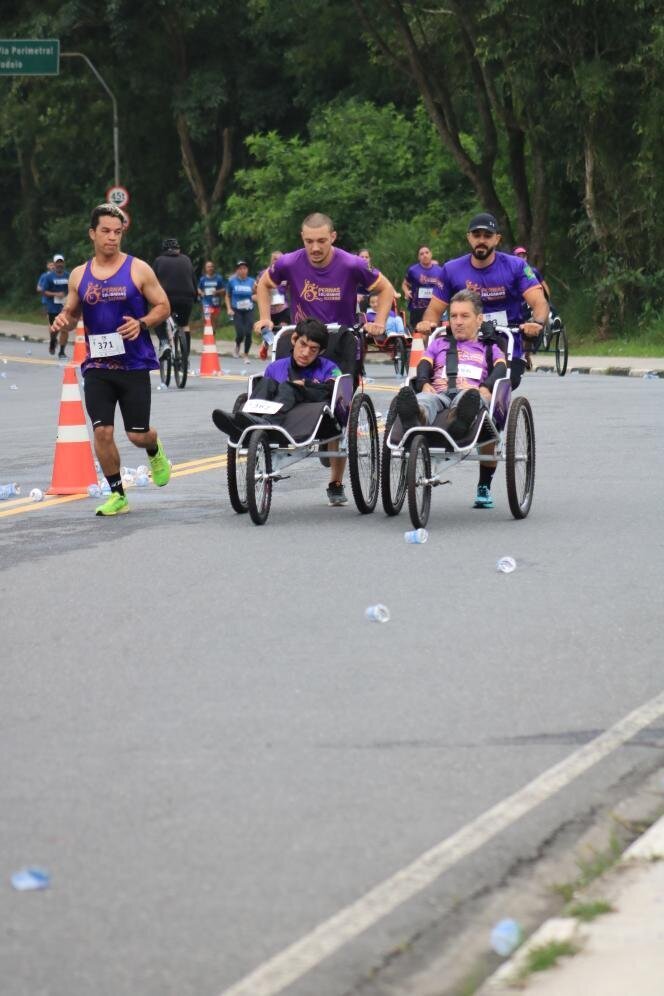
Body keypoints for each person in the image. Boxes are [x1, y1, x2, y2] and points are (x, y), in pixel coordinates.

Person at [253, 211, 395, 506]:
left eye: (321, 241)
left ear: (333, 237)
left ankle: (335, 480)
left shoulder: (352, 263)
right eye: (309, 241)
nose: (315, 248)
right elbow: (264, 284)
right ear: (302, 239)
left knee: (339, 409)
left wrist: (379, 322)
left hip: (340, 341)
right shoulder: (289, 262)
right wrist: (265, 317)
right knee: (283, 386)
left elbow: (386, 289)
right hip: (304, 339)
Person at [50, 203, 172, 517]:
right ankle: (117, 494)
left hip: (134, 364)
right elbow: (72, 312)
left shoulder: (138, 269)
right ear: (92, 233)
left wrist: (142, 323)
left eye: (117, 232)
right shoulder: (79, 275)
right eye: (105, 231)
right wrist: (64, 320)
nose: (112, 237)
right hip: (98, 367)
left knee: (137, 434)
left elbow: (163, 306)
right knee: (102, 432)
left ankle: (154, 448)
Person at [396, 289, 506, 509]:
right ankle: (415, 417)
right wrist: (423, 383)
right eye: (453, 316)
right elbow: (424, 364)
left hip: (472, 394)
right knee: (424, 400)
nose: (458, 321)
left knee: (468, 398)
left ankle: (459, 421)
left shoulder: (489, 347)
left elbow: (501, 369)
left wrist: (486, 387)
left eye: (464, 316)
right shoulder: (439, 344)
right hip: (439, 393)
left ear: (479, 319)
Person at [417, 213, 550, 386]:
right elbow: (434, 310)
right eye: (476, 235)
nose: (481, 240)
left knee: (499, 384)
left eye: (487, 236)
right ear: (469, 237)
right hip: (463, 346)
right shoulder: (451, 269)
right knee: (445, 383)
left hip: (506, 344)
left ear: (497, 239)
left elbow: (539, 302)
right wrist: (427, 324)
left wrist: (537, 323)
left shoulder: (516, 266)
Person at [212, 318, 341, 437]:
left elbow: (336, 390)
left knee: (290, 387)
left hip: (310, 416)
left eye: (313, 349)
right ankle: (245, 420)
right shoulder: (275, 367)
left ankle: (269, 423)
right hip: (278, 409)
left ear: (321, 351)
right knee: (266, 382)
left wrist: (306, 384)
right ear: (294, 339)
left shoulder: (331, 368)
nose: (306, 353)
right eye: (303, 344)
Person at [153, 238, 197, 356]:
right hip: (187, 298)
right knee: (184, 324)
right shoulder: (186, 259)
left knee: (158, 319)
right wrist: (195, 297)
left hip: (167, 298)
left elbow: (153, 282)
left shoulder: (159, 261)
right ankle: (185, 356)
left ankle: (164, 343)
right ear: (178, 249)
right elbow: (193, 280)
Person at [256, 251, 290, 360]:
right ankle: (265, 345)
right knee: (268, 333)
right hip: (270, 311)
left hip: (283, 309)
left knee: (283, 331)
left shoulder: (286, 273)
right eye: (275, 259)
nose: (277, 261)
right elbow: (257, 288)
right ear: (271, 261)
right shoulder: (264, 274)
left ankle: (280, 352)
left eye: (280, 259)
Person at [402, 246, 445, 330]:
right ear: (418, 257)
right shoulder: (413, 270)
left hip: (434, 306)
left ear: (431, 254)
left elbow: (444, 288)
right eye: (421, 254)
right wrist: (406, 291)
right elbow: (404, 284)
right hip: (417, 307)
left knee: (434, 331)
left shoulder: (440, 270)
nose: (425, 255)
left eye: (427, 253)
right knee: (417, 332)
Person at [226, 260, 256, 362]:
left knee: (248, 332)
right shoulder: (232, 281)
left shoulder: (252, 281)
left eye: (244, 268)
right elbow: (227, 296)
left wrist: (255, 293)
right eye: (240, 269)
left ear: (247, 270)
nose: (242, 270)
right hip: (236, 310)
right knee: (240, 333)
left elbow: (257, 294)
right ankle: (237, 344)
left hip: (249, 310)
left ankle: (246, 355)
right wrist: (229, 308)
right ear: (237, 270)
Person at [42, 255, 71, 357]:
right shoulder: (49, 277)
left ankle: (62, 351)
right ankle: (53, 341)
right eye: (57, 262)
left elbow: (72, 289)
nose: (59, 264)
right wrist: (56, 294)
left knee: (65, 329)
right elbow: (44, 291)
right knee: (54, 329)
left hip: (65, 307)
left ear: (63, 263)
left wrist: (67, 295)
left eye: (61, 262)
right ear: (54, 264)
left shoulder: (68, 276)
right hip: (52, 307)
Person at [198, 260, 226, 328]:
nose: (210, 268)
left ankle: (213, 331)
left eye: (211, 266)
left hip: (216, 302)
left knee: (214, 320)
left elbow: (224, 289)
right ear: (205, 268)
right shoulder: (203, 279)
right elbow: (198, 288)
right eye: (208, 267)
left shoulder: (218, 278)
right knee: (207, 318)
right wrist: (201, 293)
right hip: (206, 302)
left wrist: (217, 292)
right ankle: (208, 331)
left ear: (213, 268)